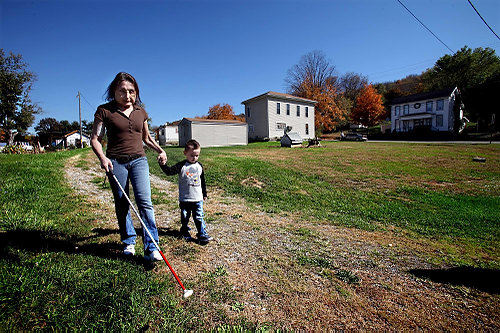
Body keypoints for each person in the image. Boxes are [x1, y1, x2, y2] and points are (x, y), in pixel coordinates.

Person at [90, 72, 167, 261]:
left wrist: (160, 150)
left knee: (145, 202)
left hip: (139, 160)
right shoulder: (104, 110)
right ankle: (129, 241)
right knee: (122, 202)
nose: (127, 96)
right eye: (122, 91)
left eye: (131, 92)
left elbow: (146, 138)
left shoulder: (141, 112)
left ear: (136, 92)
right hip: (115, 161)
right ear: (114, 91)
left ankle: (152, 246)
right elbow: (95, 139)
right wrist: (102, 157)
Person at [159, 139, 212, 244]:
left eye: (197, 155)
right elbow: (169, 172)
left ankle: (202, 234)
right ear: (185, 153)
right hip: (185, 199)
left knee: (199, 216)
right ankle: (184, 231)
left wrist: (204, 193)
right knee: (185, 216)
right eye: (192, 155)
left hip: (197, 198)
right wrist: (163, 165)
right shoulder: (182, 166)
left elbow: (203, 181)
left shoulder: (199, 166)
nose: (194, 158)